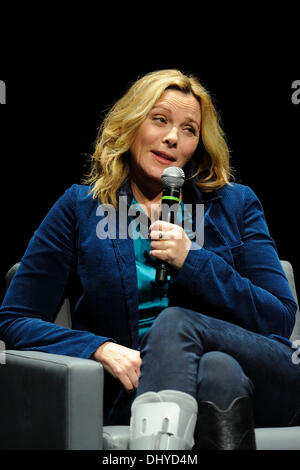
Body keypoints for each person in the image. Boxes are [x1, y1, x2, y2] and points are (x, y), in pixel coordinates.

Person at [0, 69, 299, 450]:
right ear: (132, 124)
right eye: (159, 120)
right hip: (142, 386)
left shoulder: (235, 204)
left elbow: (279, 317)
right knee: (217, 371)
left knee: (176, 324)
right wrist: (99, 347)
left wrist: (193, 261)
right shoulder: (82, 208)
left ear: (198, 145)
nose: (173, 137)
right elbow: (15, 319)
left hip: (264, 377)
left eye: (189, 129)